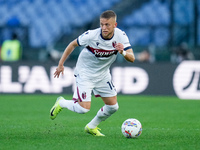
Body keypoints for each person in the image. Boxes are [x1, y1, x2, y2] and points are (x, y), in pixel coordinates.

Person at [50, 10, 135, 136]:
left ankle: (91, 127)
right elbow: (72, 44)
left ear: (115, 25)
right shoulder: (91, 35)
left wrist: (122, 52)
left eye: (107, 25)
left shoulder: (121, 36)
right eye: (102, 24)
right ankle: (62, 102)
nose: (104, 28)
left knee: (113, 107)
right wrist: (61, 64)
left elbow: (132, 58)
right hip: (85, 73)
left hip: (103, 74)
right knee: (83, 108)